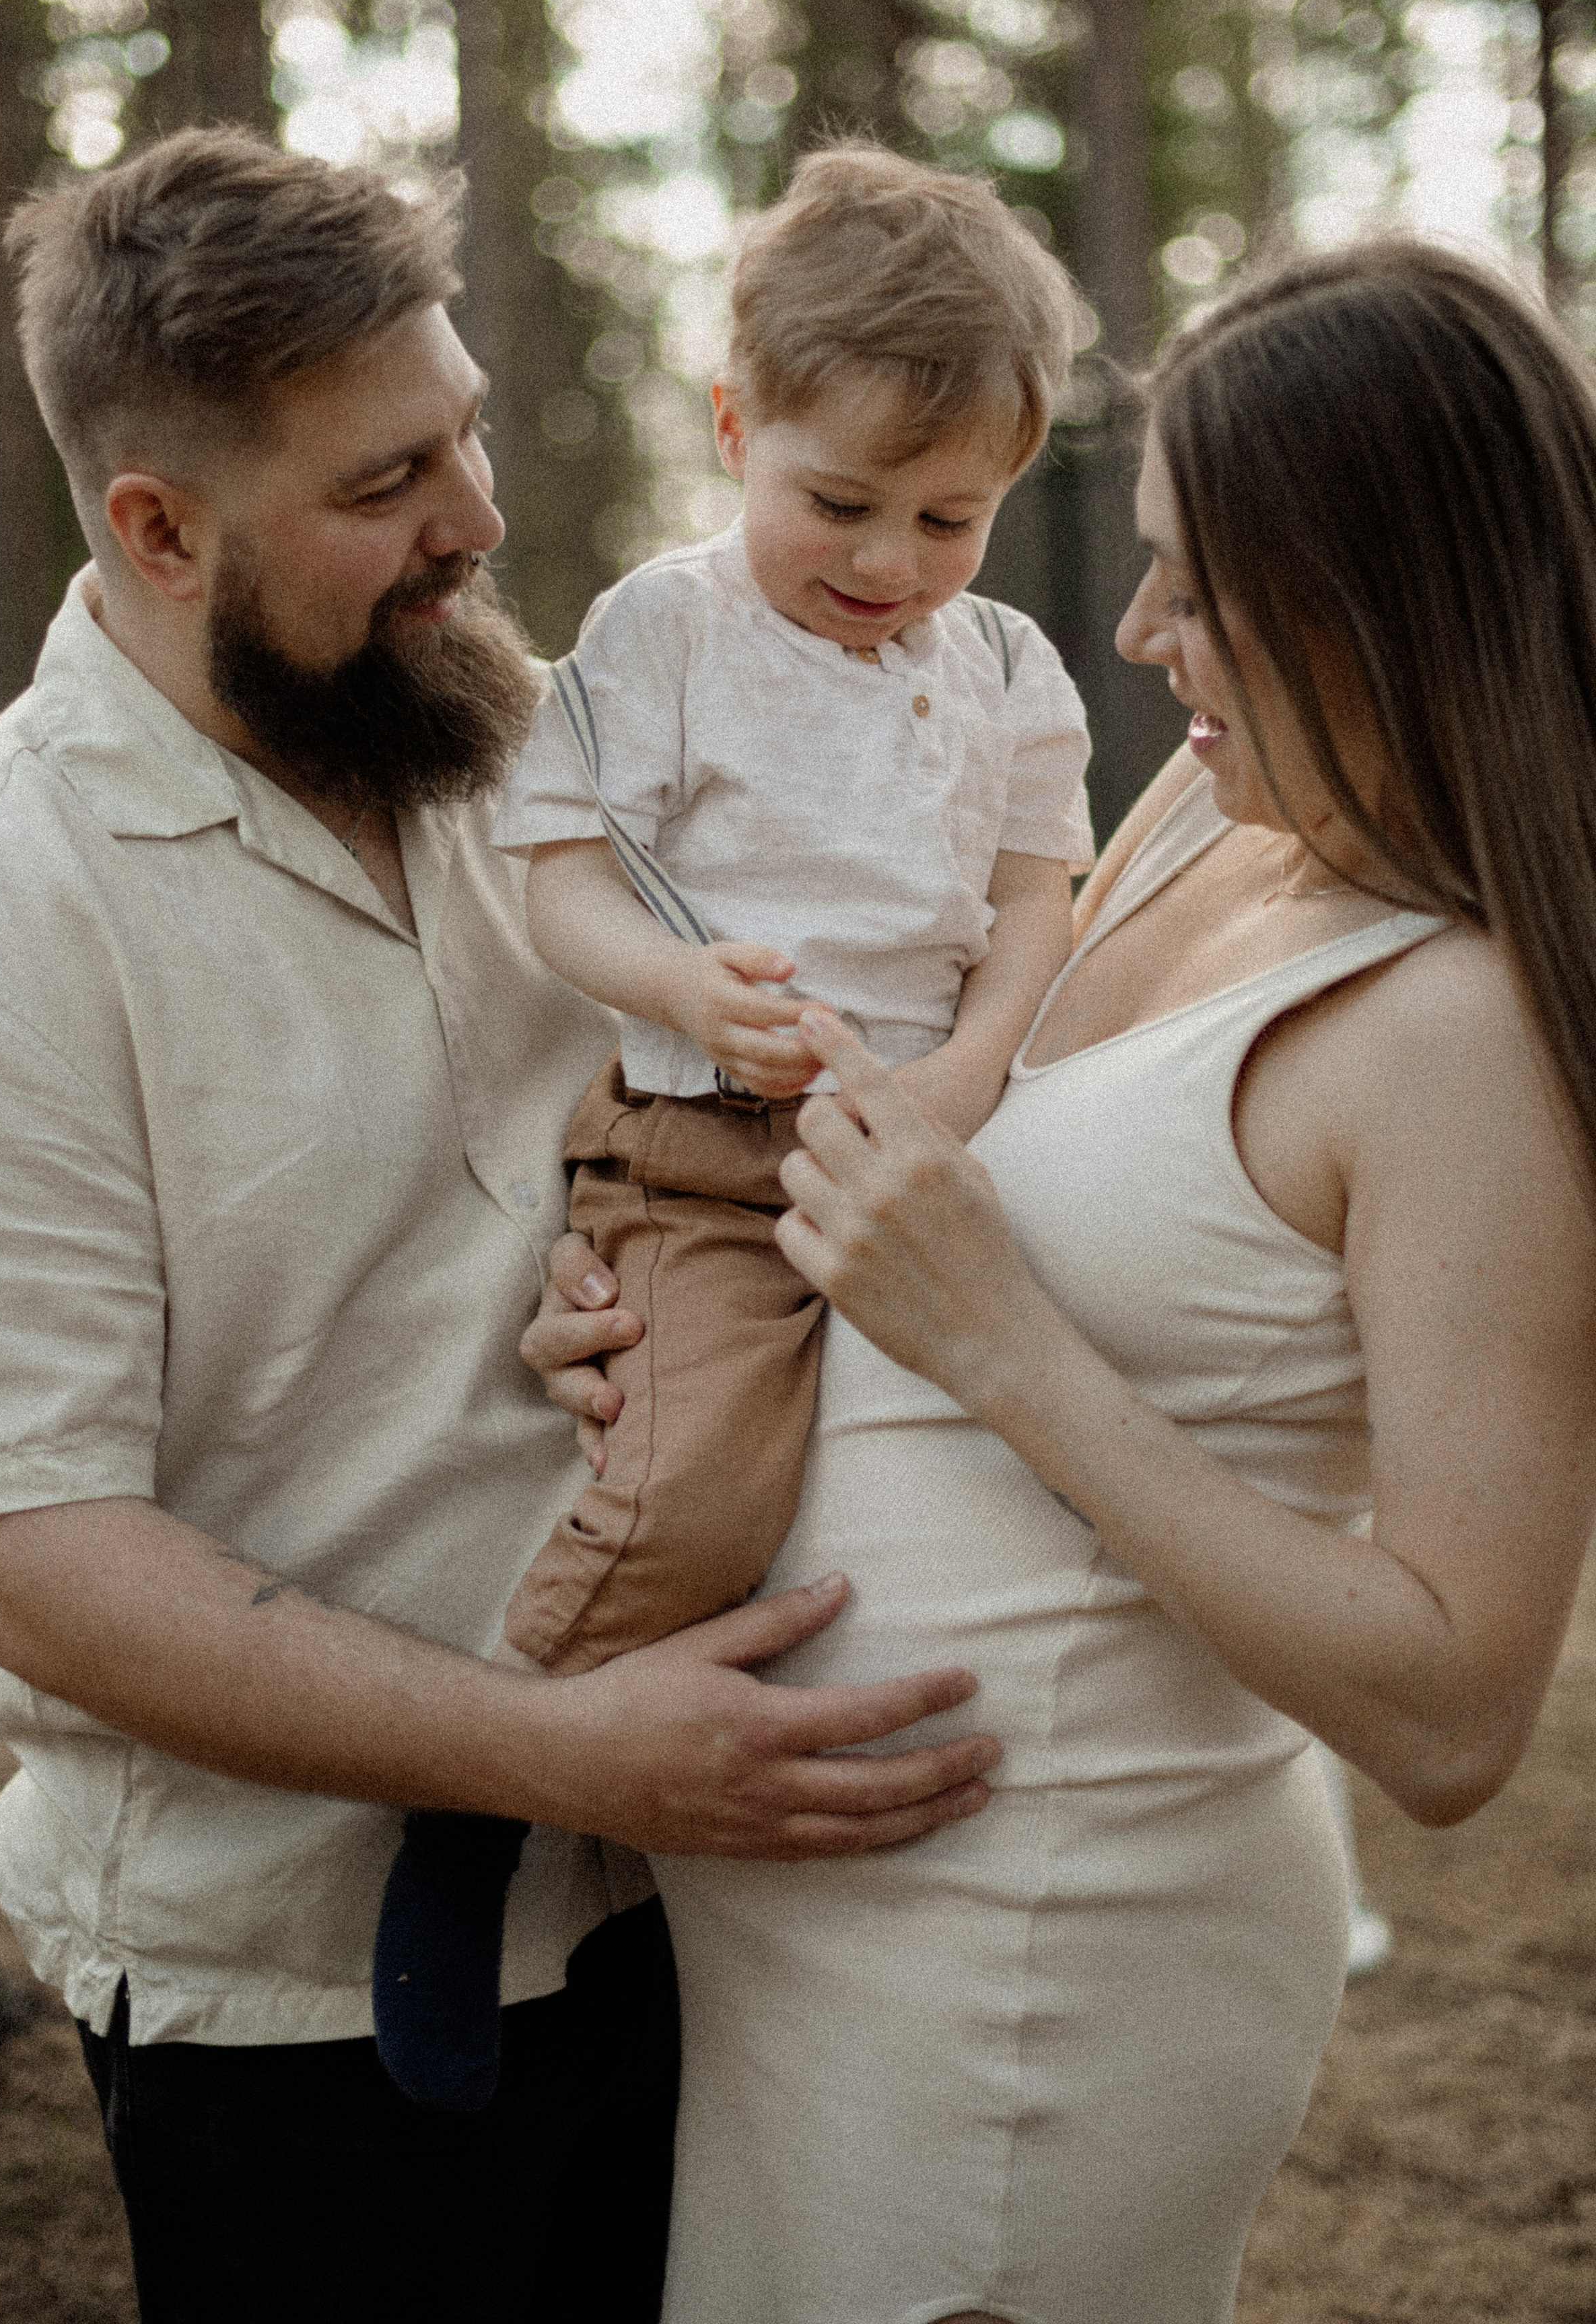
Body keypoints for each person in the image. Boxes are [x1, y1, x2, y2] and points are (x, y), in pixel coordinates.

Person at [0, 128, 1004, 2324]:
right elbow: (40, 1557)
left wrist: (604, 1285)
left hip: (691, 1902)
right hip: (298, 2019)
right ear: (159, 527)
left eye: (469, 427)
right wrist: (562, 1751)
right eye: (393, 478)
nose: (479, 520)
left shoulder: (523, 755)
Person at [562, 237, 1596, 2324]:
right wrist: (661, 1310)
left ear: (1386, 591)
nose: (1136, 636)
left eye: (1202, 590)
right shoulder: (1201, 823)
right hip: (817, 1944)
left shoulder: (1466, 1032)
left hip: (1046, 1958)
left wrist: (1000, 1350)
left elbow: (1456, 1708)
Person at [372, 145, 1095, 2110]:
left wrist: (964, 1070)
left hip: (938, 1138)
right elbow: (567, 883)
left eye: (951, 516)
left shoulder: (1013, 667)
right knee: (696, 1483)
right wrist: (687, 992)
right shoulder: (667, 632)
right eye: (836, 501)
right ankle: (486, 1795)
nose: (888, 562)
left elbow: (1041, 897)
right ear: (734, 428)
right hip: (706, 1154)